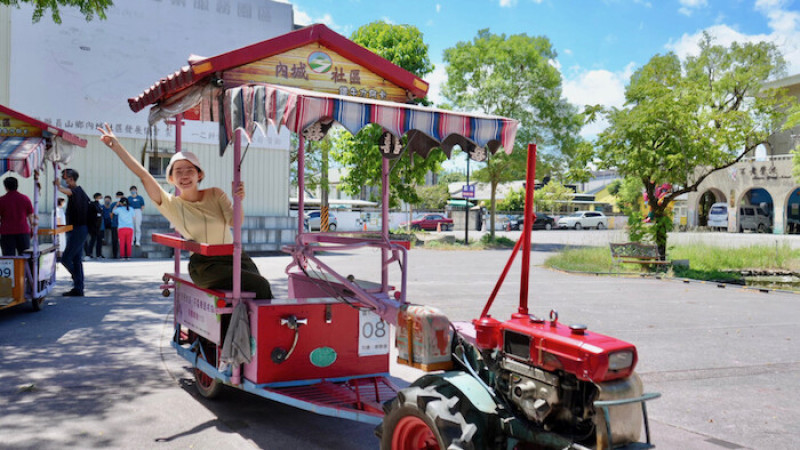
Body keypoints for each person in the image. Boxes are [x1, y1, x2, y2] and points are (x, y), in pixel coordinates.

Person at [98, 124, 272, 298]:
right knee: (260, 285)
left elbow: (236, 222)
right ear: (171, 178)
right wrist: (117, 147)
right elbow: (143, 175)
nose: (185, 176)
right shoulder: (171, 205)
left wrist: (238, 200)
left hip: (235, 258)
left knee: (255, 290)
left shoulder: (215, 194)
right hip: (206, 266)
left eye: (190, 170)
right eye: (179, 172)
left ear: (199, 175)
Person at [56, 168, 89, 296]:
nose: (64, 180)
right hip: (79, 229)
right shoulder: (79, 191)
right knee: (76, 259)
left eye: (64, 178)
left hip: (78, 230)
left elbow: (66, 191)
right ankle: (78, 288)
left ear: (70, 179)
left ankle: (77, 280)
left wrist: (57, 185)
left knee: (65, 258)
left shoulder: (77, 191)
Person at [0, 176, 35, 256]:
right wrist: (32, 228)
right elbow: (30, 215)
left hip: (7, 232)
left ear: (5, 187)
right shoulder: (25, 198)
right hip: (23, 231)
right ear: (17, 185)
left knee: (8, 259)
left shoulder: (2, 200)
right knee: (25, 257)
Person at [85, 192, 105, 258]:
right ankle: (89, 253)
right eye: (100, 197)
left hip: (99, 226)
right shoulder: (93, 205)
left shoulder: (100, 205)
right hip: (93, 226)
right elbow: (91, 215)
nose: (102, 199)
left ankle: (99, 254)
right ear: (97, 198)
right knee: (93, 240)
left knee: (99, 240)